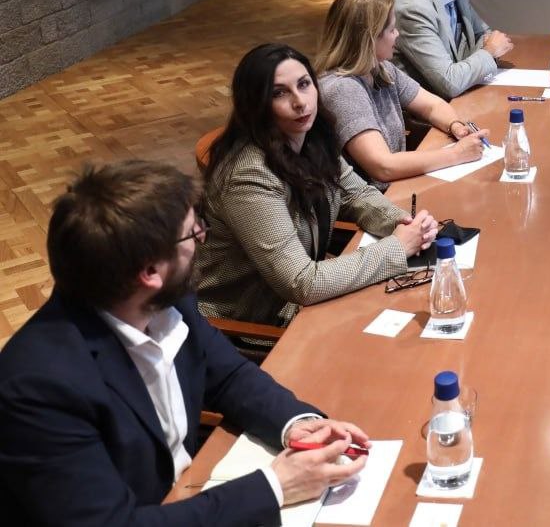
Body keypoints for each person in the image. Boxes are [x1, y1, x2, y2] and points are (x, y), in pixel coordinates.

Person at [0, 160, 371, 525]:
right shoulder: (38, 387)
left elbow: (228, 376)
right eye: (192, 234)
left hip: (190, 496)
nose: (202, 239)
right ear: (149, 273)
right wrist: (276, 486)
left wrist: (296, 423)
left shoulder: (165, 302)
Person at [196, 43, 439, 327]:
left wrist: (403, 223)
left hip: (305, 298)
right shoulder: (248, 176)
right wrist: (397, 248)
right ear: (256, 105)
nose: (300, 102)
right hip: (254, 320)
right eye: (279, 93)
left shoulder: (311, 138)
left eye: (304, 84)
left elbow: (356, 194)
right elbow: (301, 283)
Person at [315, 0, 490, 189]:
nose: (397, 34)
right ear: (370, 38)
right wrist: (456, 154)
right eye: (391, 30)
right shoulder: (343, 90)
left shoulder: (381, 68)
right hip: (372, 202)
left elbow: (432, 106)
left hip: (396, 187)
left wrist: (455, 125)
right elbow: (383, 167)